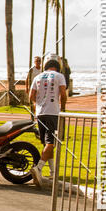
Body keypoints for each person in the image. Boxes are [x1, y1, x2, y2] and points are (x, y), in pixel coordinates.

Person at [30, 58, 67, 187]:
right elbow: (63, 93)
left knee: (47, 143)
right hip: (53, 112)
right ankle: (38, 168)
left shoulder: (38, 77)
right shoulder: (59, 76)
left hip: (40, 113)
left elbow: (31, 96)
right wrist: (63, 108)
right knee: (51, 142)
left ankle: (53, 172)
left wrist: (37, 105)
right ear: (57, 67)